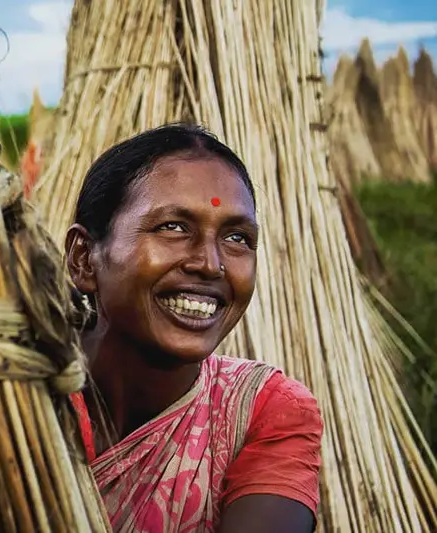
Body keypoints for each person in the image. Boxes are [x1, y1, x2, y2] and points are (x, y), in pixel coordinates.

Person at [65, 123, 323, 533]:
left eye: (237, 237)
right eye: (173, 227)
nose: (210, 263)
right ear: (83, 258)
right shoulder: (13, 392)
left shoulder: (263, 412)